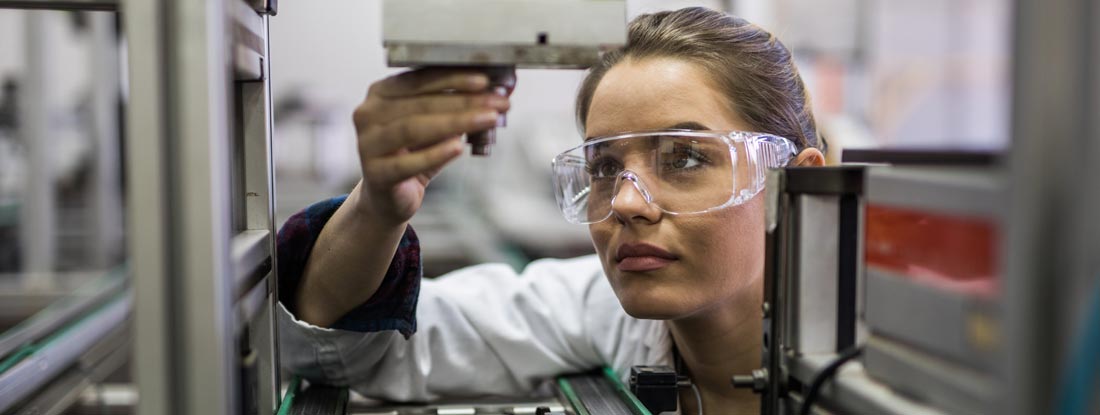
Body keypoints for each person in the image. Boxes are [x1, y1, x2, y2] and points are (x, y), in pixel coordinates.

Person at [277, 7, 826, 414]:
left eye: (684, 157)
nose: (627, 203)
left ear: (796, 183)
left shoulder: (883, 365)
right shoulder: (595, 310)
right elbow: (345, 353)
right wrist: (378, 206)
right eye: (606, 167)